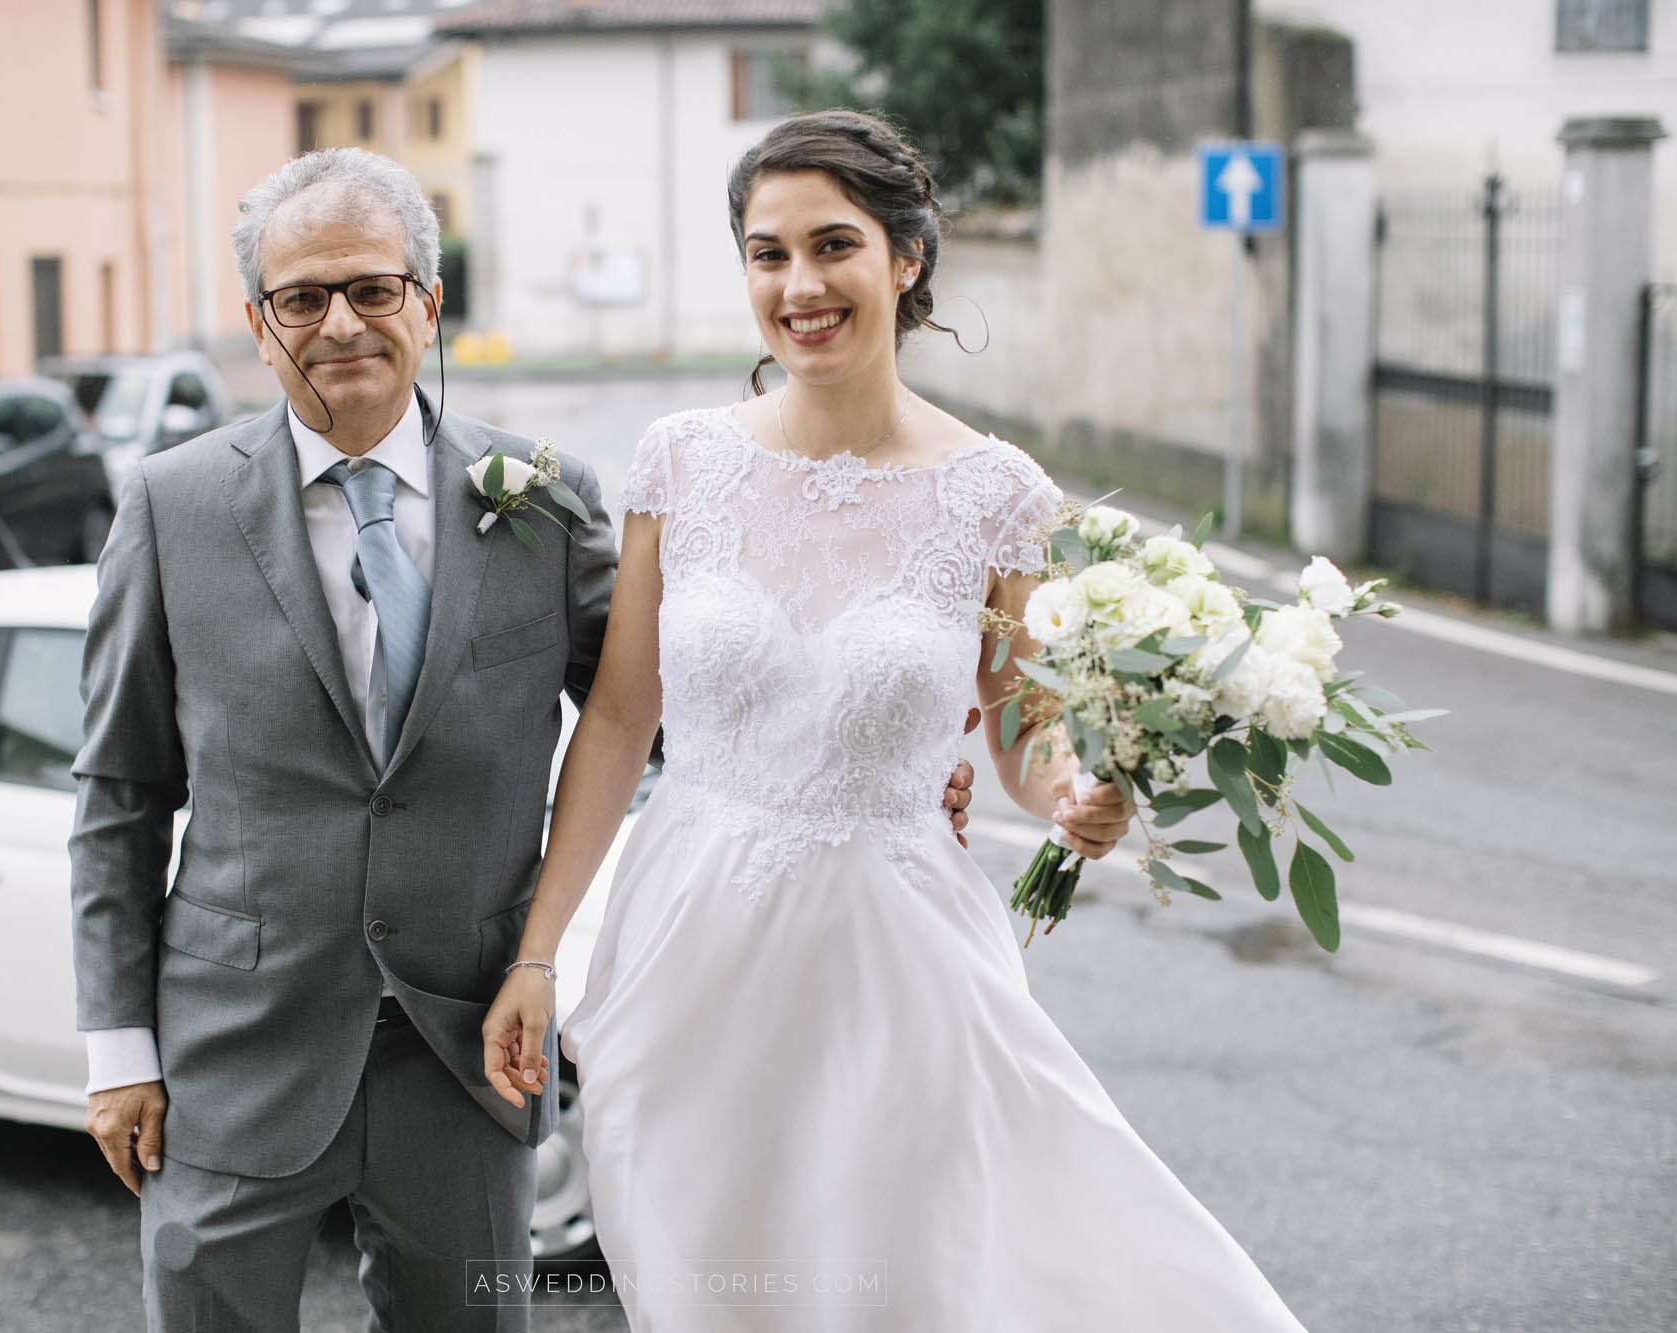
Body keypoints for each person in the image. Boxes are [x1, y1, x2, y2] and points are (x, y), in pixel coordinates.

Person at [69, 146, 978, 1330]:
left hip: (467, 1046)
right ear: (257, 321)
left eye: (372, 288)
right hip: (229, 1055)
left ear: (428, 301)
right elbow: (119, 790)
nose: (340, 322)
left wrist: (876, 749)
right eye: (302, 297)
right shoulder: (169, 505)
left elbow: (657, 701)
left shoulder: (540, 497)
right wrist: (115, 1048)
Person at [481, 110, 1309, 1330]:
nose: (799, 285)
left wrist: (1083, 785)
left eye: (832, 245)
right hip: (689, 950)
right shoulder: (680, 462)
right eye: (767, 254)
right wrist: (539, 953)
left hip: (898, 961)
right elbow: (612, 722)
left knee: (908, 1281)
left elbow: (1022, 739)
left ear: (905, 258)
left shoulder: (996, 495)